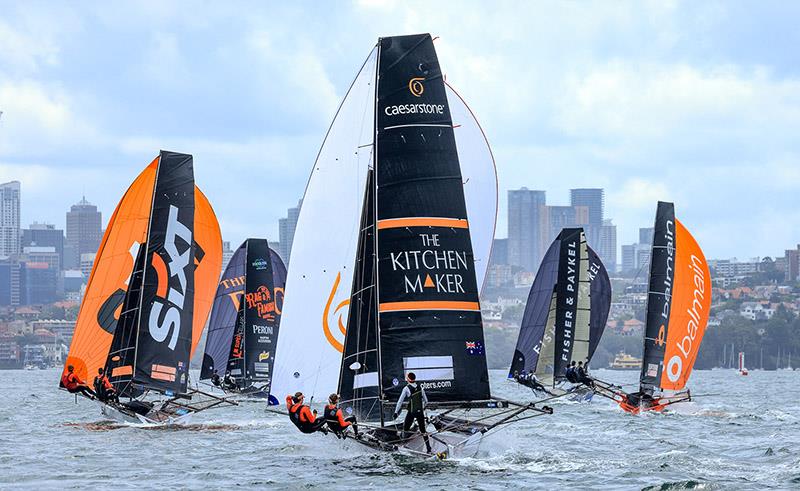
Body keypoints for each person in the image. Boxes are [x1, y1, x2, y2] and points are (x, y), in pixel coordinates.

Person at [392, 372, 432, 454]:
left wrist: (396, 412)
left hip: (412, 412)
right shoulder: (420, 387)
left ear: (408, 379)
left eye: (406, 377)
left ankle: (403, 445)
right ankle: (429, 448)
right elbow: (426, 401)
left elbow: (400, 402)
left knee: (405, 428)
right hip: (420, 412)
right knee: (423, 430)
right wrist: (422, 408)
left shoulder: (406, 388)